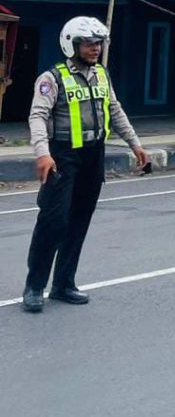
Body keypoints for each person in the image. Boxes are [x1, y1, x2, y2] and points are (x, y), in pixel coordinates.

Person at [22, 16, 148, 313]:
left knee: (78, 221)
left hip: (93, 157)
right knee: (53, 222)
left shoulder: (102, 75)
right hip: (61, 157)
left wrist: (136, 144)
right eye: (89, 43)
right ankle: (34, 286)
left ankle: (64, 284)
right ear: (72, 44)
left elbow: (114, 110)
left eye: (98, 43)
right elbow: (37, 116)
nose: (95, 48)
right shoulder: (51, 78)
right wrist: (42, 153)